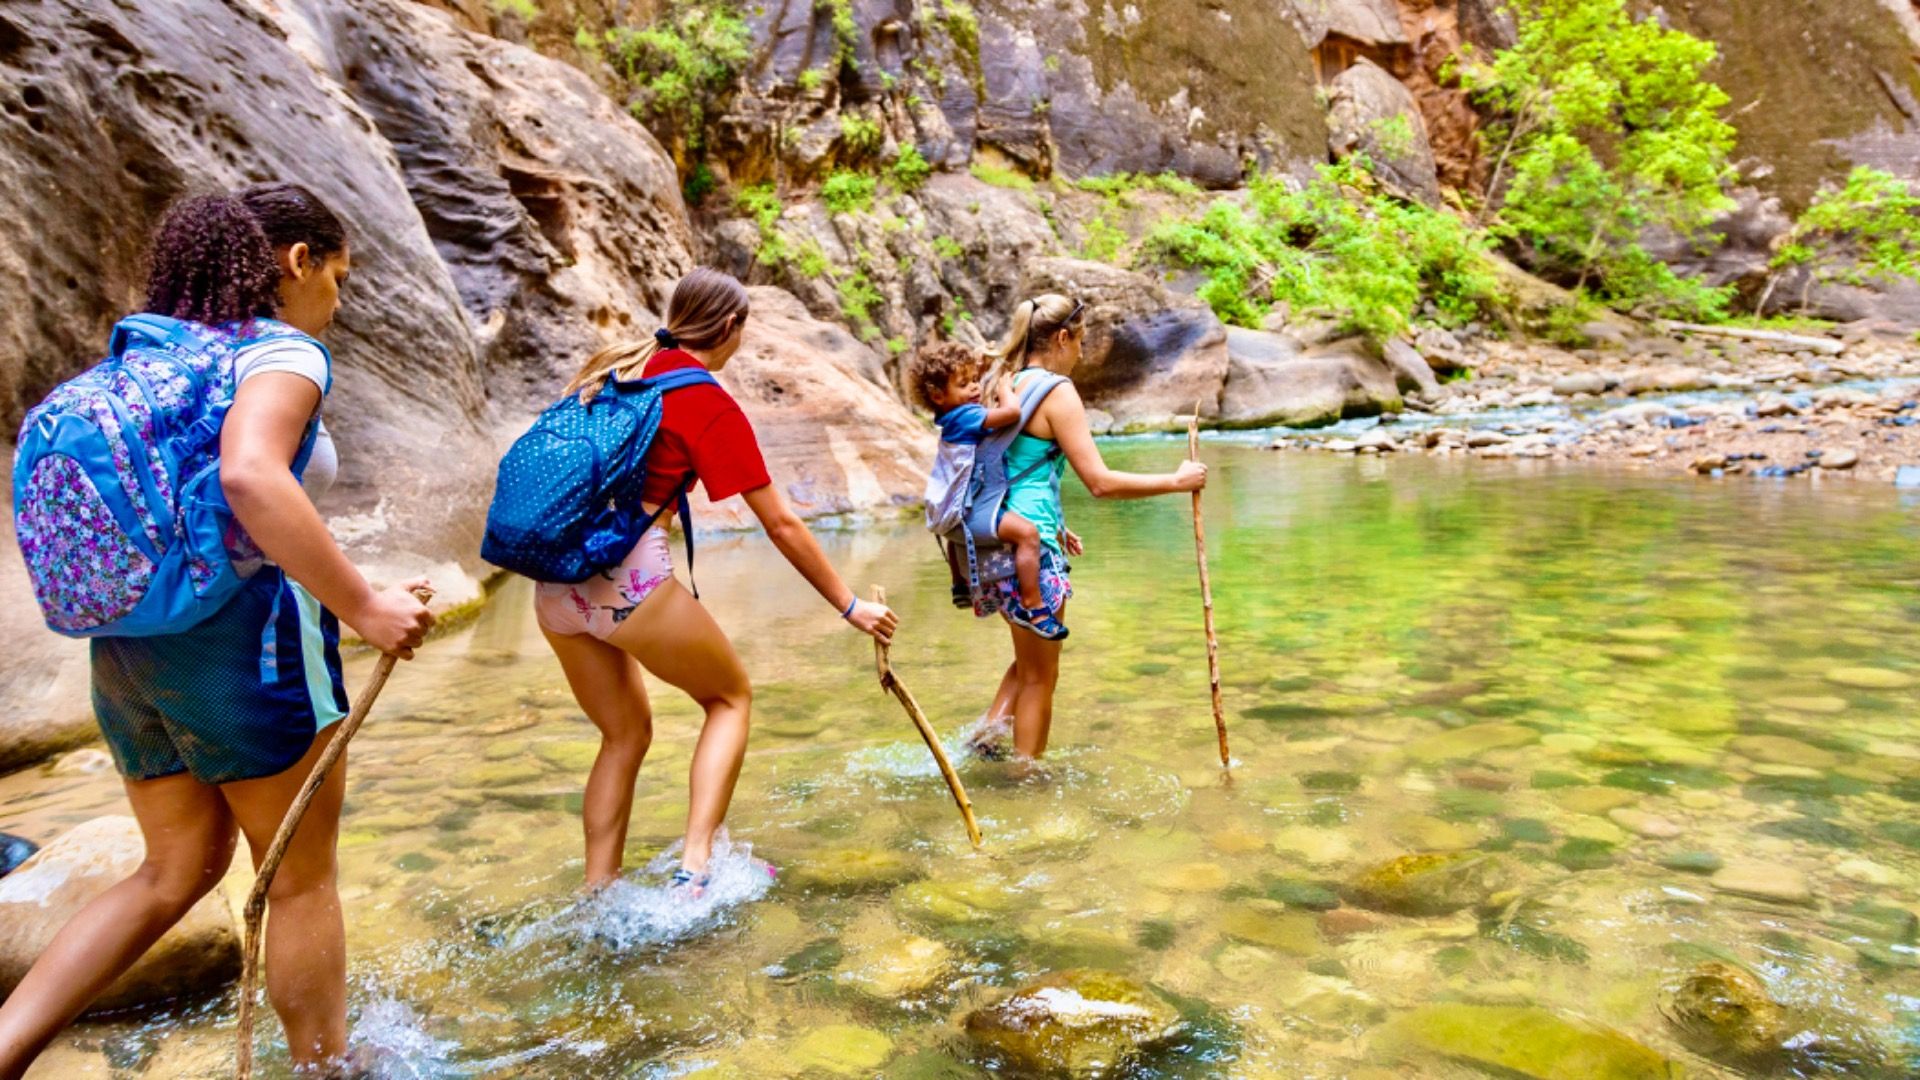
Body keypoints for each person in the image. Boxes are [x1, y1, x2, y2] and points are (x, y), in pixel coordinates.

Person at [0, 185, 433, 1078]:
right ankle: (326, 1067)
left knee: (173, 872)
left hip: (130, 646)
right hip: (245, 646)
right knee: (300, 878)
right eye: (339, 277)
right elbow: (250, 477)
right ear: (298, 262)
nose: (338, 302)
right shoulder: (278, 351)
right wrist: (365, 607)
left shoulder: (148, 357)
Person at [534, 268, 898, 894]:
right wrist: (849, 605)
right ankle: (695, 871)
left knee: (623, 734)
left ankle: (597, 893)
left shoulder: (616, 372)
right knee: (730, 699)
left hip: (553, 582)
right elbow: (781, 523)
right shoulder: (704, 401)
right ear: (730, 326)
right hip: (626, 579)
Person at [971, 294, 1207, 760]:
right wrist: (1176, 481)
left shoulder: (1004, 383)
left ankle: (982, 742)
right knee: (1041, 676)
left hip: (992, 542)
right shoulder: (1057, 392)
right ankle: (1026, 776)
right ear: (1062, 338)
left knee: (1028, 660)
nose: (1081, 353)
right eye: (1080, 342)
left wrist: (1058, 525)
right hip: (1031, 551)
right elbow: (1100, 482)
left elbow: (1012, 468)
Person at [907, 341, 1065, 640]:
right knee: (1027, 535)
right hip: (967, 510)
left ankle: (960, 585)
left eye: (974, 380)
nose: (974, 388)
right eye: (963, 384)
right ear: (938, 395)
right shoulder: (965, 417)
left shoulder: (950, 419)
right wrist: (1005, 391)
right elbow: (1012, 414)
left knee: (956, 536)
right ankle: (1034, 607)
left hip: (952, 514)